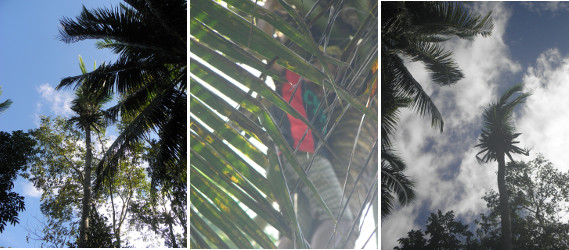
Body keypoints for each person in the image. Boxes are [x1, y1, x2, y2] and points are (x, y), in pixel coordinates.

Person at [269, 57, 357, 248]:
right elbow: (266, 50)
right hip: (304, 154)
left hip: (290, 160)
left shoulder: (321, 101)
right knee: (339, 219)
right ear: (313, 65)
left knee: (297, 231)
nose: (329, 75)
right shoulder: (292, 76)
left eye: (334, 73)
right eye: (326, 68)